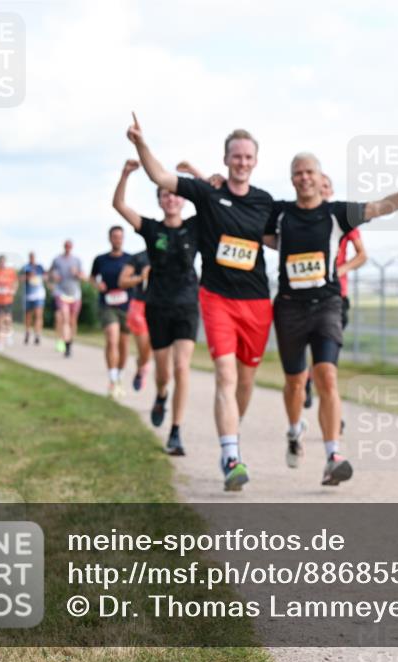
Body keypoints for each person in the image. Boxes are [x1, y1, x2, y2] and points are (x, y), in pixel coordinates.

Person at [264, 153, 398, 486]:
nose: (304, 177)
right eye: (298, 173)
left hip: (326, 304)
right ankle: (295, 431)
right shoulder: (279, 214)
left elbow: (381, 207)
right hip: (289, 308)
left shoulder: (337, 213)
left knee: (327, 376)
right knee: (296, 383)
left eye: (310, 171)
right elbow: (253, 228)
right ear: (292, 178)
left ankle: (332, 455)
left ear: (320, 176)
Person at [130, 117, 271, 492]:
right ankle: (231, 457)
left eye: (248, 157)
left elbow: (282, 239)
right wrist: (142, 144)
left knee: (245, 380)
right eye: (235, 156)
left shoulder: (264, 202)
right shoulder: (207, 196)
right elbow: (160, 176)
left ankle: (232, 436)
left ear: (255, 161)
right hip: (215, 298)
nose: (242, 162)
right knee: (224, 374)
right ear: (225, 160)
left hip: (256, 301)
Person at [113, 158, 199, 455]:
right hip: (158, 307)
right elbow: (120, 205)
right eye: (165, 194)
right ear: (160, 200)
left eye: (175, 194)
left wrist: (195, 175)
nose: (171, 198)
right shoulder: (150, 229)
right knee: (163, 373)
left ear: (183, 200)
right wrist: (125, 174)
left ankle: (176, 431)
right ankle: (161, 394)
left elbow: (214, 199)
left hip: (187, 305)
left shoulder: (194, 228)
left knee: (181, 366)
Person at [303, 173, 368, 410]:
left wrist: (338, 271)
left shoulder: (343, 218)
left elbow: (362, 255)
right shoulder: (304, 220)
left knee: (328, 357)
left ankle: (328, 404)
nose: (324, 190)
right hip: (306, 295)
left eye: (327, 186)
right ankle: (305, 380)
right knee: (311, 351)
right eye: (320, 187)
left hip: (336, 297)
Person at [91, 226, 132, 398]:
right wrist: (97, 285)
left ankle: (120, 374)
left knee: (123, 344)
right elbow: (92, 277)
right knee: (112, 338)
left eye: (120, 237)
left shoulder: (131, 259)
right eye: (114, 237)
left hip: (126, 305)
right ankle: (112, 378)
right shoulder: (101, 259)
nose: (117, 239)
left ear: (123, 239)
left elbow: (136, 279)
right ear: (110, 238)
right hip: (107, 304)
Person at [119, 248, 152, 392]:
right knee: (144, 347)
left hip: (161, 306)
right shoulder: (138, 257)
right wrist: (140, 278)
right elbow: (122, 281)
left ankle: (141, 367)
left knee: (151, 347)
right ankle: (141, 366)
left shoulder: (170, 255)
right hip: (139, 305)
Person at [49, 240, 84, 357]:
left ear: (72, 247)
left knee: (72, 321)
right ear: (64, 247)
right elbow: (49, 273)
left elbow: (84, 277)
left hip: (75, 294)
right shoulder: (57, 260)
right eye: (66, 246)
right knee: (65, 318)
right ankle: (66, 345)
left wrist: (77, 273)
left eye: (70, 246)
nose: (68, 248)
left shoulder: (77, 260)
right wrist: (53, 276)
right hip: (61, 292)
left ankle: (70, 341)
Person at [20, 252, 46, 345]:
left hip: (39, 295)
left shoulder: (40, 267)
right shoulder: (25, 267)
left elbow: (46, 277)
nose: (32, 258)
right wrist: (28, 277)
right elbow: (20, 279)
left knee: (38, 315)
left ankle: (37, 334)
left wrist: (41, 277)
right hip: (28, 295)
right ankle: (27, 332)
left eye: (33, 257)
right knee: (28, 316)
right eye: (30, 257)